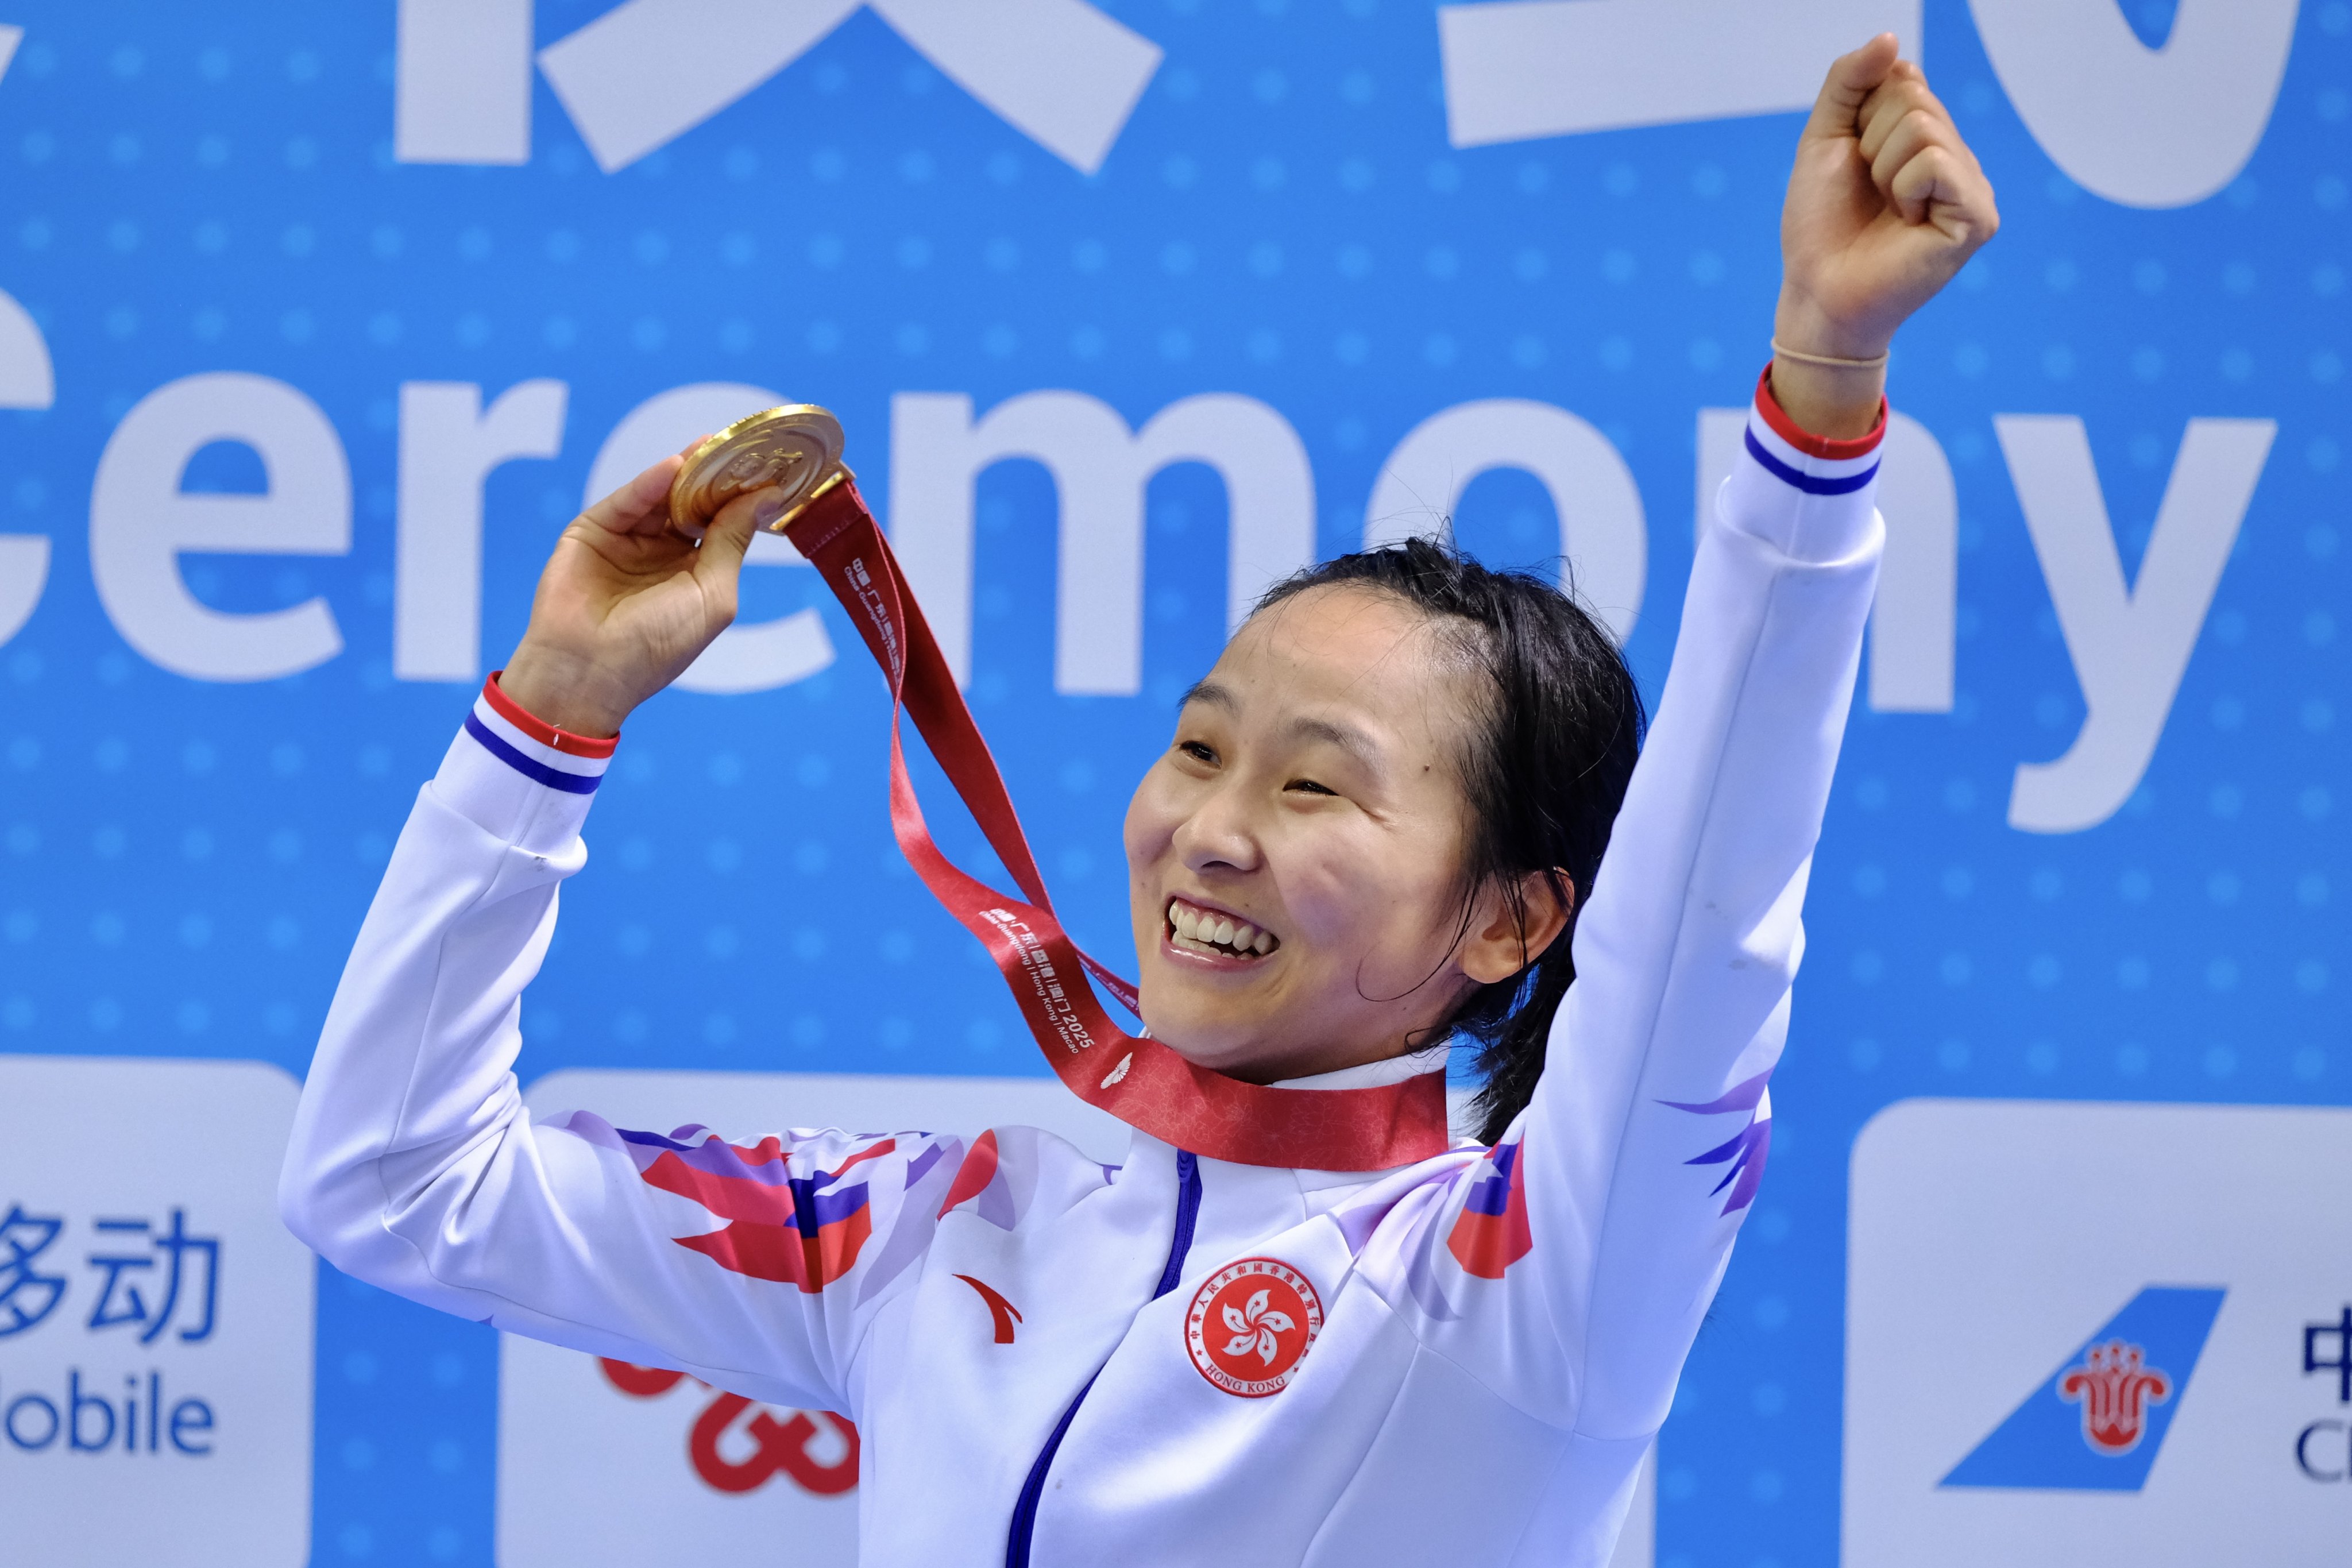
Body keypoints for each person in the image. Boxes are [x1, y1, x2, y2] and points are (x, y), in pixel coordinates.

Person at [281, 36, 1995, 1567]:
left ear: (1515, 914)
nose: (1215, 827)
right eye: (1199, 748)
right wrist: (552, 715)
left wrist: (1822, 397)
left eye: (1318, 783)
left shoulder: (1523, 1279)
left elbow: (1705, 904)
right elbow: (391, 1180)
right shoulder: (938, 1228)